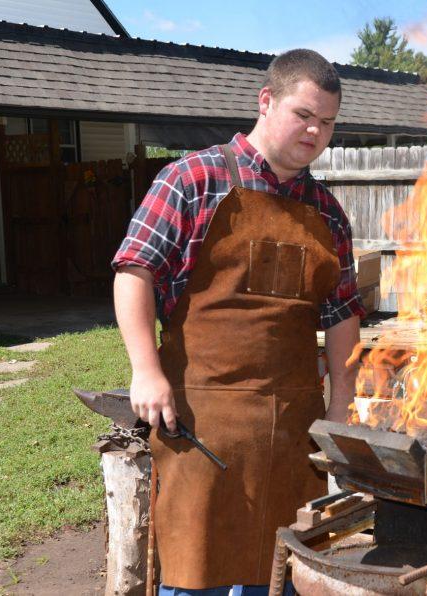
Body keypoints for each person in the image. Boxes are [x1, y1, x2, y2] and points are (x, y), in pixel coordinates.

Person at [111, 49, 364, 594]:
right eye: (304, 115)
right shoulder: (192, 180)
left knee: (286, 571)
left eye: (327, 122)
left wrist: (341, 404)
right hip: (203, 428)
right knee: (195, 567)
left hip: (296, 432)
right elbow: (134, 272)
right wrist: (145, 371)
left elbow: (342, 315)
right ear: (266, 101)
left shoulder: (327, 213)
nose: (315, 131)